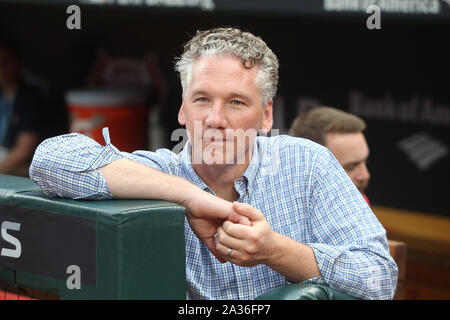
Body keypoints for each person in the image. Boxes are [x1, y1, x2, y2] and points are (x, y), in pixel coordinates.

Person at [29, 27, 397, 300]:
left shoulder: (307, 162)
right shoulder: (157, 173)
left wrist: (275, 251)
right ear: (182, 109)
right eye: (202, 99)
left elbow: (380, 278)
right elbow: (49, 161)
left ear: (266, 115)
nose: (216, 118)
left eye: (237, 102)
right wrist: (190, 197)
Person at [289, 106, 371, 204]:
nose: (365, 175)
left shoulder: (359, 203)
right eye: (351, 167)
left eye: (365, 162)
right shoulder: (273, 215)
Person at [0, 39, 43, 176]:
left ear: (17, 63)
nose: (1, 67)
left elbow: (25, 149)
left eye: (5, 62)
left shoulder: (29, 98)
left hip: (19, 163)